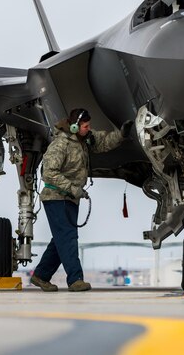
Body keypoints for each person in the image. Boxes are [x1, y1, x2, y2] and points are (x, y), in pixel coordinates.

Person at [30, 109, 129, 292]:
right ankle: (75, 279)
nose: (88, 129)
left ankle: (41, 276)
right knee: (68, 237)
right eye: (85, 126)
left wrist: (122, 134)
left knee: (61, 239)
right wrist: (73, 188)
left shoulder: (83, 140)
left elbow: (103, 142)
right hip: (56, 197)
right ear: (75, 126)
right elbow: (49, 173)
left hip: (71, 199)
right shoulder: (61, 144)